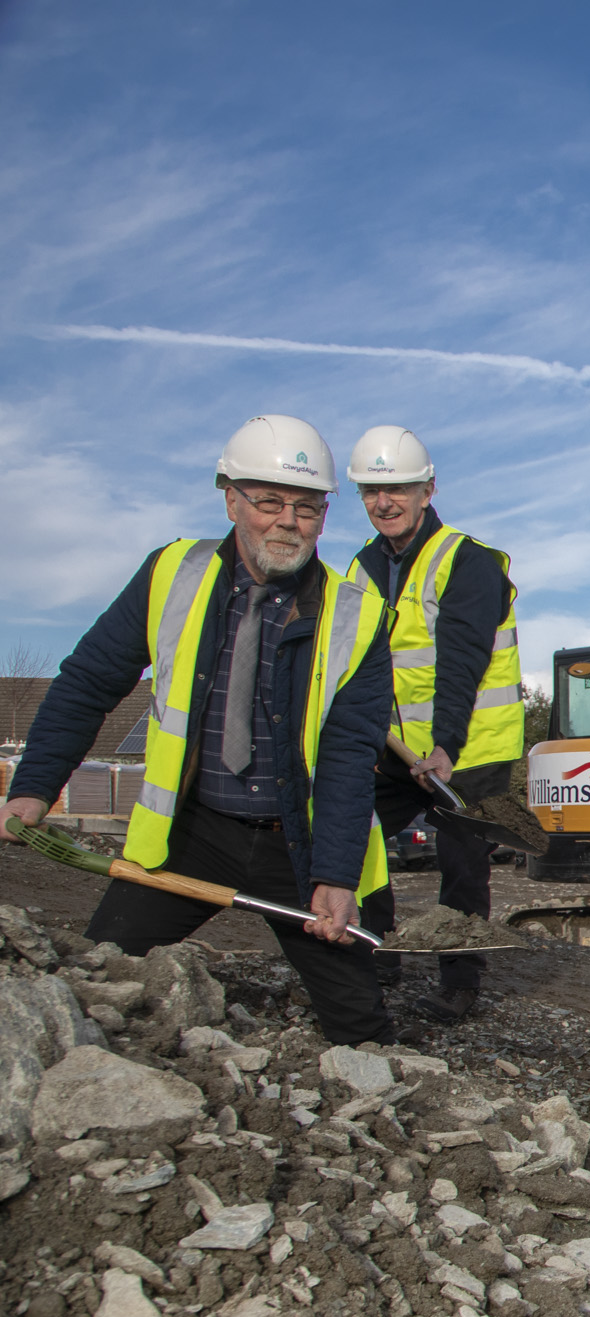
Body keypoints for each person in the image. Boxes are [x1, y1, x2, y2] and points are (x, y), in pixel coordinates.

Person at [4, 416, 398, 1045]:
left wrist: (336, 876)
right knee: (102, 977)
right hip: (189, 835)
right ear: (231, 498)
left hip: (293, 849)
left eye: (306, 507)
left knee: (362, 1028)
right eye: (269, 502)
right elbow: (87, 681)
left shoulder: (360, 615)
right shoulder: (171, 573)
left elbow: (352, 754)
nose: (287, 522)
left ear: (324, 514)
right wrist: (34, 786)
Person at [345, 426, 521, 1024]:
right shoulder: (362, 567)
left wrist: (445, 744)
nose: (384, 502)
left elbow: (461, 661)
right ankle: (377, 949)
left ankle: (461, 979)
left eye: (397, 488)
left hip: (469, 747)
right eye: (371, 491)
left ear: (428, 489)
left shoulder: (469, 563)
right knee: (353, 828)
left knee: (461, 864)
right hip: (397, 748)